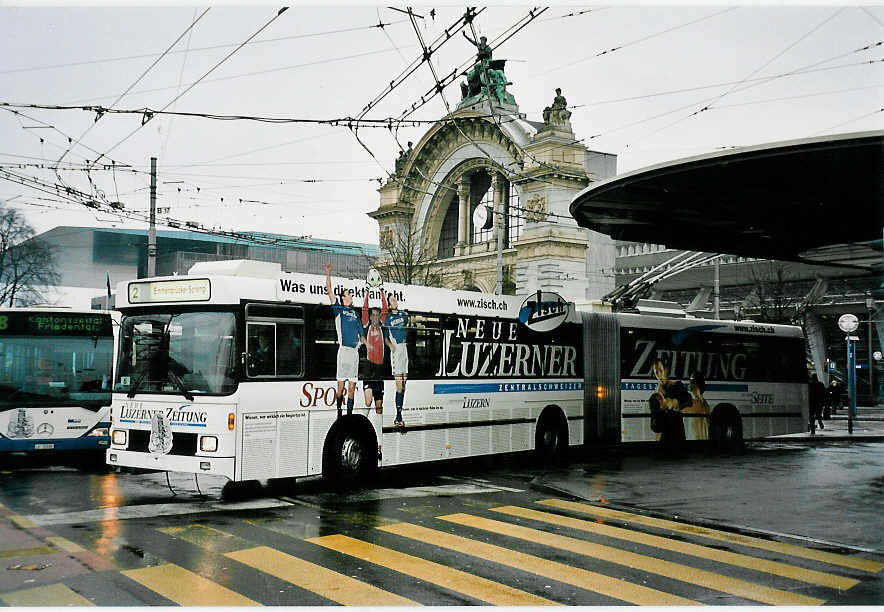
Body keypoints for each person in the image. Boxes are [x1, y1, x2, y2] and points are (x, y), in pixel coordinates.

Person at [326, 262, 362, 417]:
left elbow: (361, 332)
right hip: (344, 352)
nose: (351, 296)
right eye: (348, 294)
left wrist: (363, 343)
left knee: (352, 388)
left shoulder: (356, 313)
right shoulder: (338, 309)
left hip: (354, 353)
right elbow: (329, 291)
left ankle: (349, 414)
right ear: (343, 298)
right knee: (340, 387)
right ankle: (339, 413)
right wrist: (328, 273)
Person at [648, 360, 691, 447]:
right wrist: (661, 410)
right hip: (663, 440)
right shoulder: (654, 397)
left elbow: (688, 400)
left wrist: (675, 402)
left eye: (661, 370)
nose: (659, 375)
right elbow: (655, 427)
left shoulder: (677, 385)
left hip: (678, 437)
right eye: (656, 372)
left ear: (666, 370)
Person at [384, 295, 410, 427]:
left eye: (395, 299)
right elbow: (386, 338)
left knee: (404, 384)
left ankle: (399, 412)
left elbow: (407, 323)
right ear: (389, 305)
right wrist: (391, 347)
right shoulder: (388, 318)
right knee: (399, 385)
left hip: (404, 348)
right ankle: (398, 416)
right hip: (396, 349)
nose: (395, 301)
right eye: (392, 301)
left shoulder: (404, 314)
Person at [361, 290, 388, 414]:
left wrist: (382, 291)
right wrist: (367, 292)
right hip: (368, 367)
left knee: (379, 408)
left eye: (378, 315)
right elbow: (365, 309)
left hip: (379, 368)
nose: (376, 317)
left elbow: (385, 309)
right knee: (367, 402)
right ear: (370, 317)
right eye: (374, 315)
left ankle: (377, 431)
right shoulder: (367, 326)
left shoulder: (382, 327)